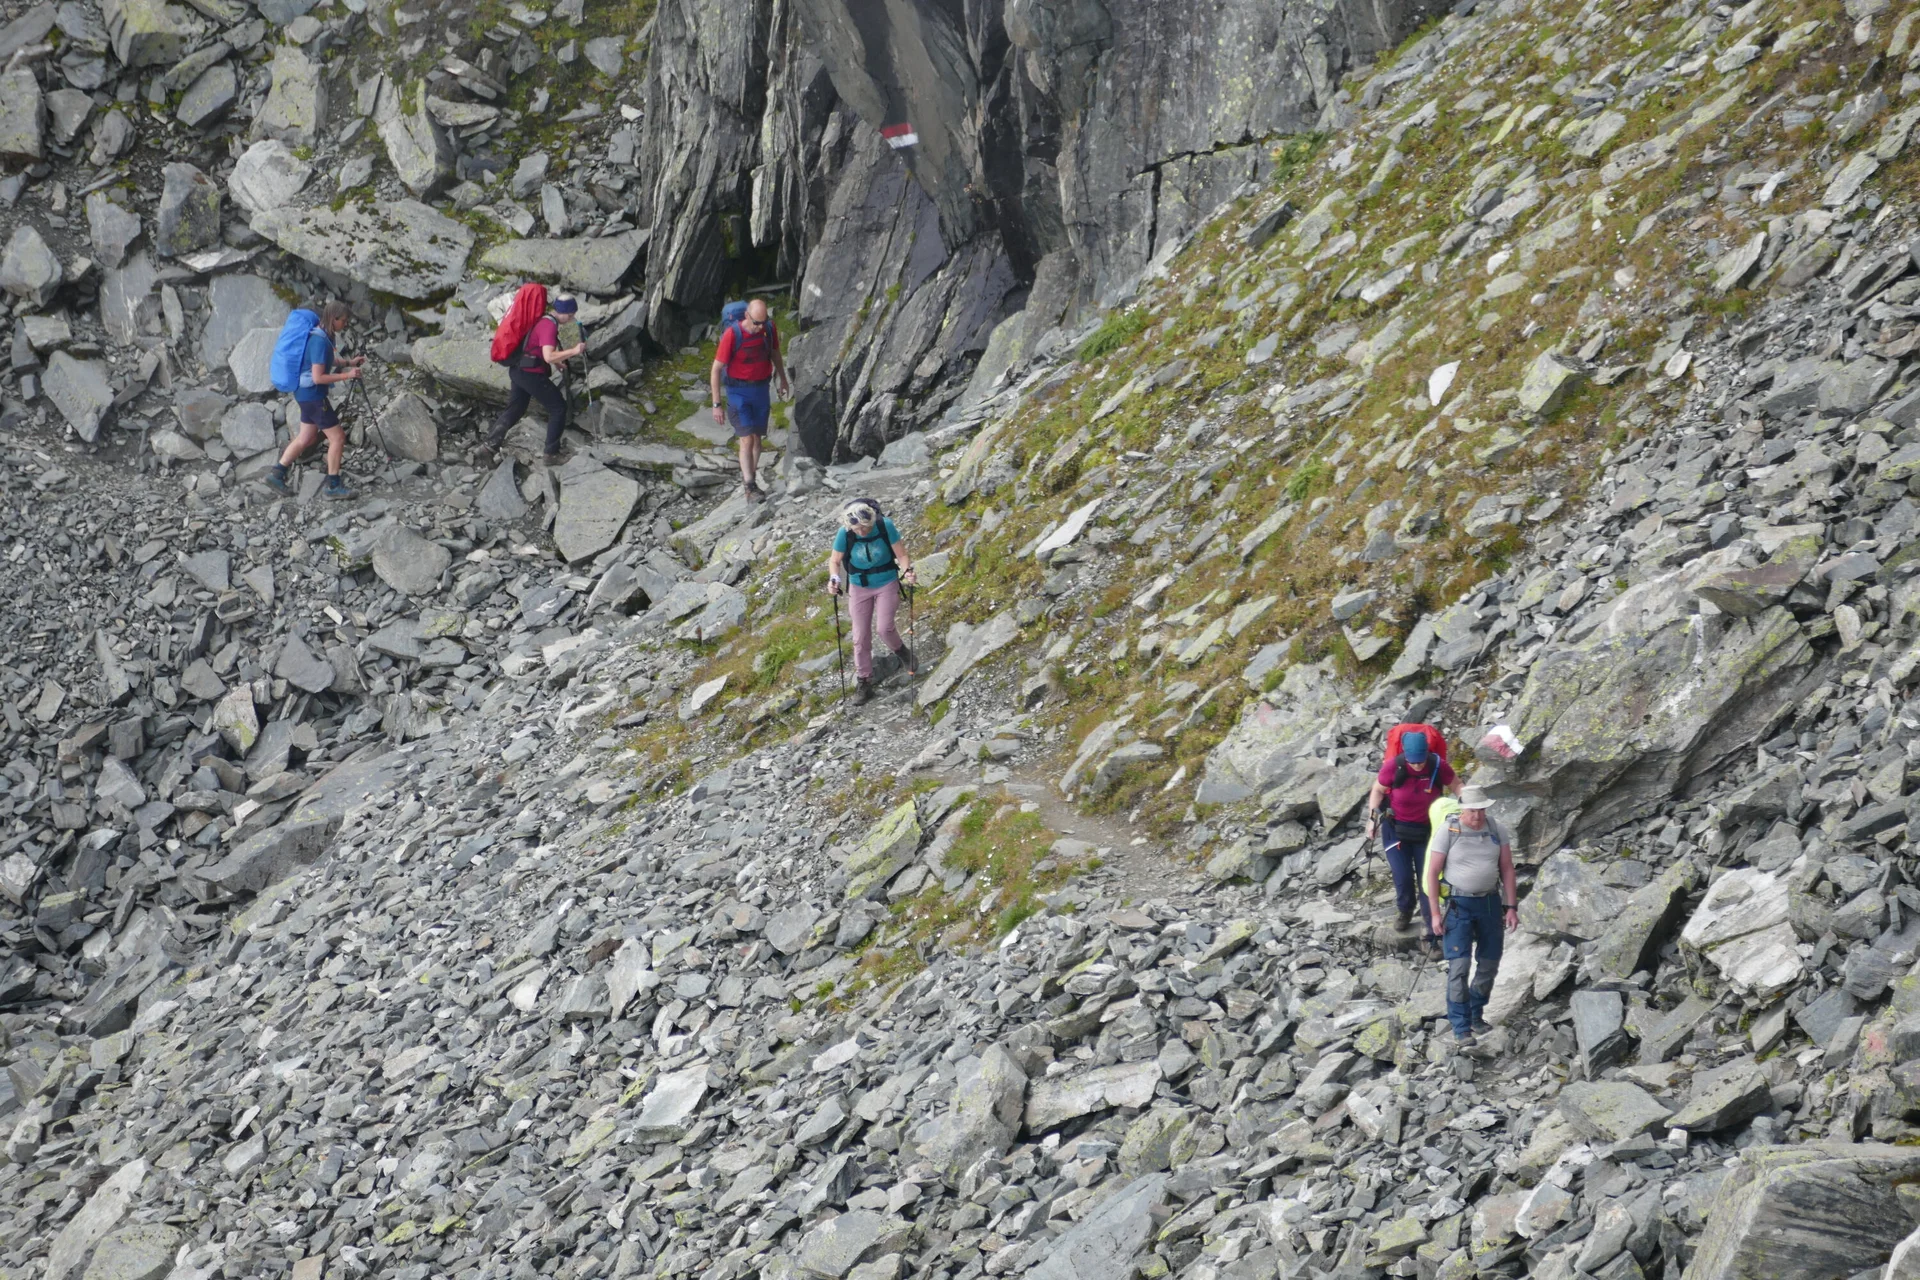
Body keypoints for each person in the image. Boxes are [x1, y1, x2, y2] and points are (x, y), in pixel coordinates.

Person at [1423, 785, 1519, 1044]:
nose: (1476, 816)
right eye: (1471, 810)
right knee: (1460, 965)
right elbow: (1433, 872)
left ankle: (1476, 1014)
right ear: (1462, 808)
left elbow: (1507, 868)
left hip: (1490, 903)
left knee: (1489, 963)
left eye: (1481, 810)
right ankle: (1461, 1026)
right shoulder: (1449, 830)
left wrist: (1511, 907)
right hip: (1458, 904)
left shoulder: (1497, 828)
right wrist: (1434, 915)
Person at [1365, 727, 1461, 952]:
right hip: (1395, 830)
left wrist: (1466, 805)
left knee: (1429, 881)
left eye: (1421, 761)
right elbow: (1377, 790)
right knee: (1403, 876)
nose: (1417, 765)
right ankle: (1405, 910)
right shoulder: (1394, 766)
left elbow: (1457, 785)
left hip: (1427, 832)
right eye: (1413, 762)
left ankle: (1430, 933)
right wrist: (1372, 819)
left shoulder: (1437, 765)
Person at [266, 301, 363, 500]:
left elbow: (324, 361)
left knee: (306, 437)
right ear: (333, 319)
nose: (345, 324)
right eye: (343, 321)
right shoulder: (319, 340)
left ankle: (277, 474)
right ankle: (333, 486)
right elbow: (318, 377)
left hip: (305, 395)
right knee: (337, 437)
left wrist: (348, 363)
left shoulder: (324, 335)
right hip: (313, 396)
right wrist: (348, 375)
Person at [827, 499, 918, 705]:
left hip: (886, 582)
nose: (861, 532)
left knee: (884, 628)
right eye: (857, 529)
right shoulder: (846, 532)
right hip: (859, 587)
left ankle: (902, 652)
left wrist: (907, 571)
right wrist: (834, 578)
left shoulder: (885, 526)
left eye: (865, 528)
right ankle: (864, 682)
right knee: (860, 637)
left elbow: (901, 555)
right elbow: (834, 560)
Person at [484, 293, 585, 463]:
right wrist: (574, 351)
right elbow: (548, 355)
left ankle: (487, 447)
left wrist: (558, 362)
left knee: (515, 409)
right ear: (564, 312)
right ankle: (551, 454)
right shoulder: (549, 326)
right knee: (558, 408)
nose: (572, 318)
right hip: (530, 374)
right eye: (571, 314)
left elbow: (536, 348)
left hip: (517, 370)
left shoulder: (542, 318)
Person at [710, 299, 790, 503]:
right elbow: (716, 369)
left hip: (761, 388)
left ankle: (750, 481)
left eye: (763, 323)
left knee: (756, 438)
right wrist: (717, 404)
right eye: (756, 323)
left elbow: (774, 354)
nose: (759, 327)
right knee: (746, 438)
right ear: (747, 316)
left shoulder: (768, 329)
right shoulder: (732, 334)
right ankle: (750, 485)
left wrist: (782, 378)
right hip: (738, 391)